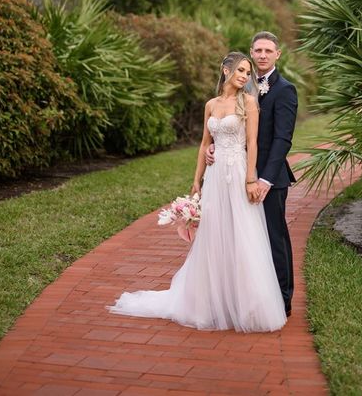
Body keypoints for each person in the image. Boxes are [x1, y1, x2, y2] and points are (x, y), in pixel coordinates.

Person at [109, 51, 287, 332]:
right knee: (214, 234)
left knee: (242, 233)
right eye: (240, 70)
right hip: (215, 177)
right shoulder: (211, 105)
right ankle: (210, 301)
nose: (244, 76)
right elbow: (205, 145)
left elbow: (252, 143)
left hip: (238, 173)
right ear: (225, 70)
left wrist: (251, 178)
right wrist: (197, 181)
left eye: (247, 72)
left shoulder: (249, 103)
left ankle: (247, 305)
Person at [206, 31, 297, 317]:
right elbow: (228, 127)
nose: (262, 55)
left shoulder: (284, 90)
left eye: (268, 51)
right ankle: (242, 300)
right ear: (251, 52)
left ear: (277, 54)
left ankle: (282, 300)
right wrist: (213, 149)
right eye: (257, 50)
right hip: (234, 173)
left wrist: (265, 180)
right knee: (241, 240)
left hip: (269, 178)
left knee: (273, 238)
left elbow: (283, 139)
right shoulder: (242, 86)